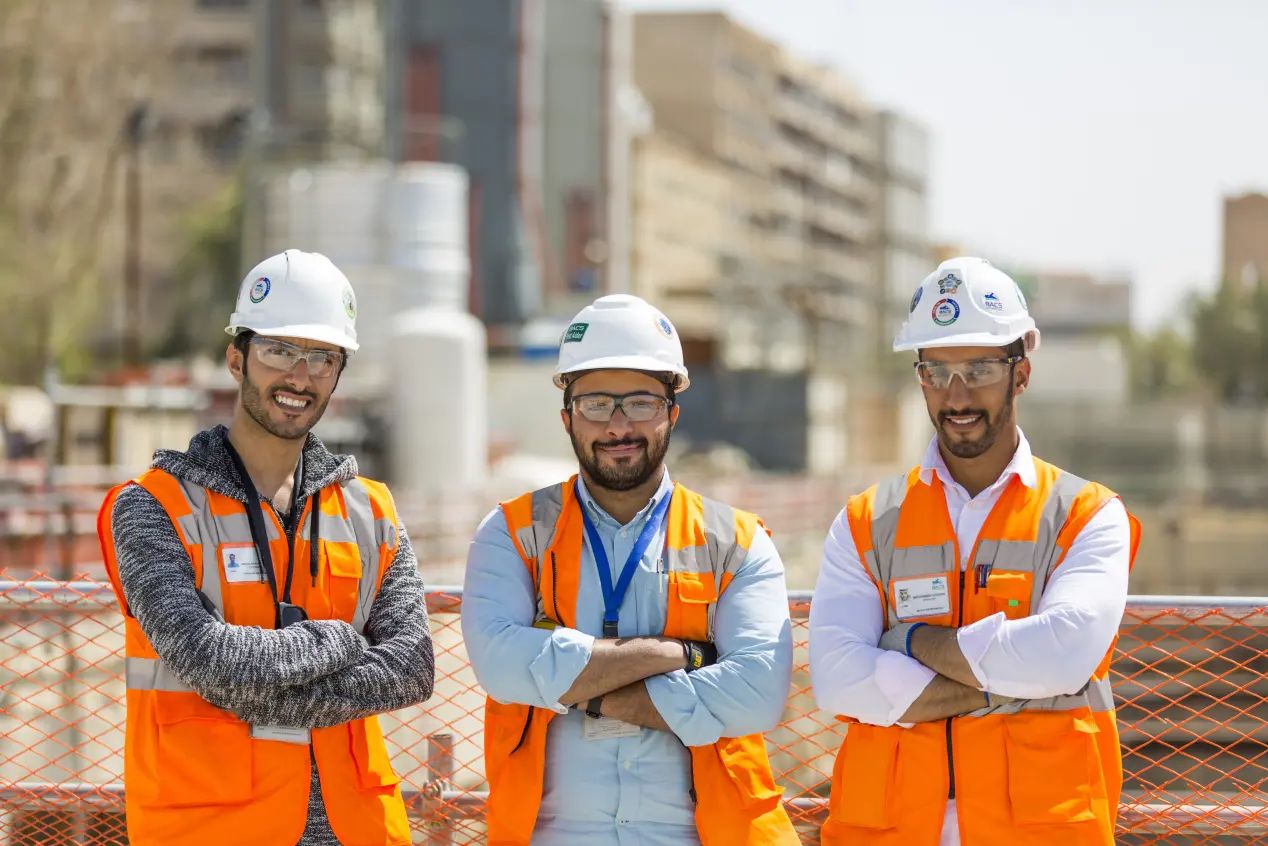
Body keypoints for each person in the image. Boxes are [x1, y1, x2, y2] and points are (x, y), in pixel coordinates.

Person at [97, 249, 435, 846]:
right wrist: (337, 640)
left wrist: (257, 688)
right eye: (279, 350)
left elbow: (410, 668)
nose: (298, 377)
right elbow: (205, 662)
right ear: (237, 359)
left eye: (321, 358)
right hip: (211, 827)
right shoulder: (153, 507)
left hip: (357, 828)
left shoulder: (370, 510)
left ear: (338, 373)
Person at [809, 257, 1140, 846]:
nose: (956, 394)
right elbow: (836, 680)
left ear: (1022, 373)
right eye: (936, 371)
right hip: (891, 831)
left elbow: (1062, 659)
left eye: (980, 368)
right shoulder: (865, 522)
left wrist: (910, 642)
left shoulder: (1086, 516)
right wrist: (1015, 680)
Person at [462, 294, 799, 846]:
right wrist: (682, 656)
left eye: (641, 402)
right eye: (596, 404)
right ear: (567, 416)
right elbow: (501, 668)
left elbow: (758, 693)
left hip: (699, 834)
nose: (619, 425)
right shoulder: (512, 534)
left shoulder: (736, 542)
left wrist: (574, 687)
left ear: (672, 411)